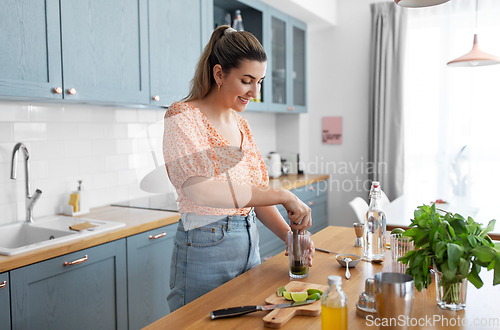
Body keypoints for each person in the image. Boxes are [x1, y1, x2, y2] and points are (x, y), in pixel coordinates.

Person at [163, 25, 315, 312]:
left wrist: (290, 238)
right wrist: (283, 195)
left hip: (249, 245)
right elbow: (202, 191)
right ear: (219, 74)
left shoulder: (241, 124)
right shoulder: (183, 116)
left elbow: (254, 198)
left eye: (259, 81)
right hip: (203, 252)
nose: (255, 92)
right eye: (247, 80)